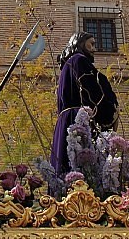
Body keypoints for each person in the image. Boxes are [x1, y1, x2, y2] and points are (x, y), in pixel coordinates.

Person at [50, 32, 119, 177]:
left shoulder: (67, 65)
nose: (94, 49)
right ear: (80, 43)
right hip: (77, 120)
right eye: (91, 44)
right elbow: (92, 91)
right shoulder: (79, 60)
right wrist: (109, 109)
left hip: (65, 122)